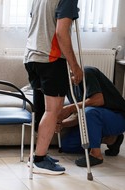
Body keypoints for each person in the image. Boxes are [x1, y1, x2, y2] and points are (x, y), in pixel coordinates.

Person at [24, 0, 83, 175]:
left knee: (43, 109)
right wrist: (75, 66)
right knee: (52, 110)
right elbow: (61, 33)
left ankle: (37, 155)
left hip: (32, 57)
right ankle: (40, 160)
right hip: (51, 59)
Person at [58, 66, 125, 166]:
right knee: (67, 145)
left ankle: (96, 155)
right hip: (95, 119)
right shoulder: (68, 88)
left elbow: (98, 100)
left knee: (89, 112)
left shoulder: (87, 73)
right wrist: (62, 124)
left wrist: (69, 108)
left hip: (117, 117)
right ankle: (112, 139)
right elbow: (78, 114)